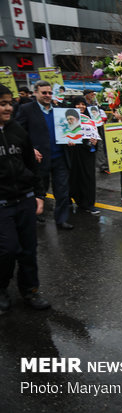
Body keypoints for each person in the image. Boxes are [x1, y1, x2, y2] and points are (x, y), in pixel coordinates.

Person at [0, 84, 51, 311]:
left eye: (9, 103)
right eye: (2, 104)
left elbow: (32, 166)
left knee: (29, 250)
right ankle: (2, 289)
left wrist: (39, 195)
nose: (8, 108)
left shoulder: (18, 131)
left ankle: (30, 291)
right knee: (8, 249)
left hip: (25, 199)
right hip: (2, 206)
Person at [16, 80, 74, 229]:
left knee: (62, 191)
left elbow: (69, 130)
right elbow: (18, 133)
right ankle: (37, 215)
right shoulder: (26, 109)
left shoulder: (59, 110)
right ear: (35, 93)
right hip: (39, 159)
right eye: (44, 93)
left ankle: (61, 220)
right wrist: (30, 149)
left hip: (60, 157)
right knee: (39, 190)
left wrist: (71, 139)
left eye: (49, 92)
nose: (48, 95)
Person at [67, 96, 99, 216]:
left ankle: (88, 203)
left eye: (83, 104)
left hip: (87, 154)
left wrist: (95, 141)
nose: (81, 106)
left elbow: (96, 135)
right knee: (74, 177)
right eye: (78, 104)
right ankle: (72, 198)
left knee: (88, 178)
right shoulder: (67, 119)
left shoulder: (90, 119)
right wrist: (68, 142)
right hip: (73, 153)